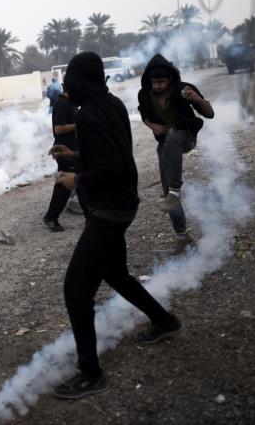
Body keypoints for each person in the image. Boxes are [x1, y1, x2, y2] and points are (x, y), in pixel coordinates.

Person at [49, 52, 181, 400]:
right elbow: (113, 155)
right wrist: (73, 155)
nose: (66, 89)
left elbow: (111, 169)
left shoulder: (89, 114)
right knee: (116, 275)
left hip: (109, 210)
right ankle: (164, 321)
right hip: (122, 203)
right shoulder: (111, 103)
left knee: (76, 291)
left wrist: (74, 180)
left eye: (69, 83)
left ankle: (90, 373)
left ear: (80, 83)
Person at [137, 54, 214, 254]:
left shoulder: (184, 90)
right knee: (168, 195)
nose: (157, 86)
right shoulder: (144, 95)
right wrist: (153, 126)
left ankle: (175, 190)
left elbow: (209, 113)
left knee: (173, 144)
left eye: (161, 82)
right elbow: (144, 116)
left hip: (185, 137)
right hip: (165, 144)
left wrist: (197, 99)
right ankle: (182, 237)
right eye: (154, 82)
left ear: (170, 79)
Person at [43, 90, 81, 231]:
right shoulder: (61, 104)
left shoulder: (70, 104)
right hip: (64, 151)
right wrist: (80, 123)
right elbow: (58, 129)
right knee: (63, 186)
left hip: (72, 150)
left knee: (77, 181)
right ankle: (51, 217)